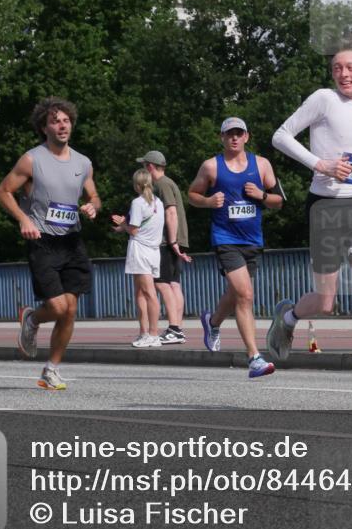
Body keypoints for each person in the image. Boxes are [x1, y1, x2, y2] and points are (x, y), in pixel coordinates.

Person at [270, 47, 352, 416]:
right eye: (336, 68)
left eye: (349, 67)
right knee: (326, 302)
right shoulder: (323, 100)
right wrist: (322, 165)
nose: (342, 73)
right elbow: (280, 136)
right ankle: (289, 317)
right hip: (325, 207)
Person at [0, 97, 101, 390]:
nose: (62, 125)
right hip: (42, 240)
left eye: (66, 120)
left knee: (70, 309)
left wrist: (93, 206)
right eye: (55, 121)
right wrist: (23, 219)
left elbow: (93, 195)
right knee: (57, 306)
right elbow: (3, 191)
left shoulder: (83, 162)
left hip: (72, 241)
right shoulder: (32, 159)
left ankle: (51, 370)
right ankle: (32, 319)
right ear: (44, 127)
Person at [188, 117, 282, 378]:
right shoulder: (211, 166)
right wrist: (208, 202)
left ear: (246, 137)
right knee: (246, 295)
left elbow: (278, 201)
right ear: (222, 137)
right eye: (229, 134)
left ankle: (213, 322)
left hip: (252, 239)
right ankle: (254, 357)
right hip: (225, 238)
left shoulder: (261, 164)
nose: (234, 138)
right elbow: (192, 195)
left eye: (239, 133)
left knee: (236, 293)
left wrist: (261, 195)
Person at [136, 150, 192, 345]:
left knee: (162, 283)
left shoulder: (161, 184)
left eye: (144, 166)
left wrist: (172, 242)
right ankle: (176, 328)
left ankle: (174, 328)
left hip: (167, 241)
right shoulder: (168, 183)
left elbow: (171, 213)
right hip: (175, 240)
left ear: (150, 166)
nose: (143, 170)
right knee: (174, 284)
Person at [111, 169, 164, 348]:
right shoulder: (158, 202)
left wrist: (122, 224)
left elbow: (133, 230)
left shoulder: (137, 202)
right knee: (141, 293)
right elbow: (142, 226)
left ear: (136, 185)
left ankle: (153, 334)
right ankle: (144, 332)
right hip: (154, 250)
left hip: (140, 249)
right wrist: (123, 227)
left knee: (148, 293)